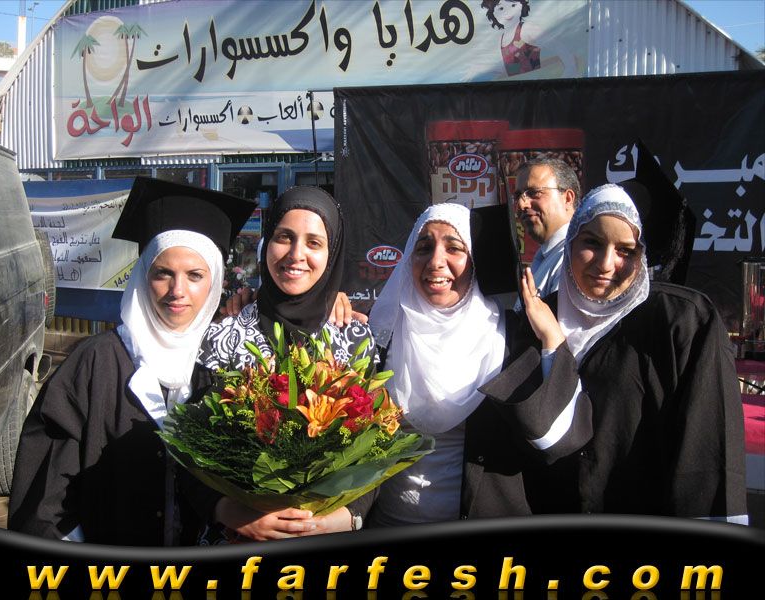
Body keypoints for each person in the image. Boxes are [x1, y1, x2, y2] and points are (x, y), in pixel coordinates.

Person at [465, 183, 748, 522]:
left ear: (641, 256)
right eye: (592, 243)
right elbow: (534, 436)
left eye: (625, 250)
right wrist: (552, 341)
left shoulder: (682, 322)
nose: (606, 264)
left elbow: (707, 449)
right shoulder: (539, 318)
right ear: (570, 244)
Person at [8, 176, 257, 545]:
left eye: (195, 275)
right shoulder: (95, 363)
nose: (177, 291)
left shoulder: (223, 369)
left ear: (215, 282)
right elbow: (45, 502)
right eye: (163, 273)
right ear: (143, 276)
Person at [198, 185, 376, 539]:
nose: (296, 255)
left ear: (332, 254)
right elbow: (193, 444)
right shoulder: (223, 334)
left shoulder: (354, 339)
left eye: (314, 243)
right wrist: (230, 511)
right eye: (284, 237)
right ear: (267, 242)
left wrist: (348, 515)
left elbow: (375, 447)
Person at [352, 202, 510, 526]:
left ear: (475, 261)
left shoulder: (506, 339)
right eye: (423, 248)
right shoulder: (378, 337)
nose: (436, 261)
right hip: (386, 528)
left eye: (454, 248)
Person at [512, 156, 581, 311]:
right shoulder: (548, 255)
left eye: (534, 193)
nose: (522, 204)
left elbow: (562, 323)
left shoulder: (572, 257)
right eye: (518, 196)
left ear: (567, 198)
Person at [481, 0, 540, 76]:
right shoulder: (501, 38)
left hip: (535, 79)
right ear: (493, 13)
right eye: (501, 8)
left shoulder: (527, 28)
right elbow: (511, 69)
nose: (508, 12)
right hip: (515, 81)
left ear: (522, 5)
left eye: (513, 5)